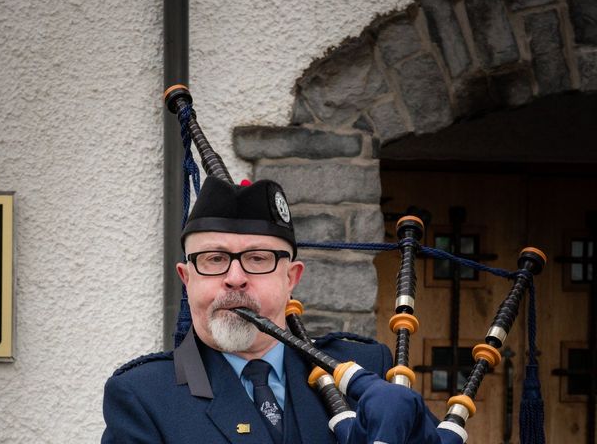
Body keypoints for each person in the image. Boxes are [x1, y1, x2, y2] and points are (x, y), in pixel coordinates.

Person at [101, 176, 445, 444]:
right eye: (215, 259)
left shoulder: (367, 368)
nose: (235, 279)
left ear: (291, 277)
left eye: (257, 259)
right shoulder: (144, 396)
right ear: (186, 277)